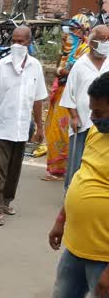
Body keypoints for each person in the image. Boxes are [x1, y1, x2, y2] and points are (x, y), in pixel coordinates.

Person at [13, 71, 109, 298]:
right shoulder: (98, 135)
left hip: (104, 256)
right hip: (76, 243)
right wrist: (60, 219)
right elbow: (82, 178)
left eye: (100, 112)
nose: (94, 119)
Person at [0, 26, 47, 226]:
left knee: (14, 169)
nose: (17, 45)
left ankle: (8, 200)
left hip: (21, 127)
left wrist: (40, 127)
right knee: (0, 168)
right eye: (14, 41)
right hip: (2, 126)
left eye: (21, 41)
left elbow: (37, 100)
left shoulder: (35, 67)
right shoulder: (0, 67)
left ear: (29, 43)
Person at [43, 15, 91, 182]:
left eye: (73, 29)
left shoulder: (85, 49)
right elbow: (60, 67)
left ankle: (63, 170)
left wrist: (61, 71)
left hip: (72, 96)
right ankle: (55, 168)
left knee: (63, 130)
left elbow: (74, 71)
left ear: (83, 30)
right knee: (52, 128)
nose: (69, 33)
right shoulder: (69, 46)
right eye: (69, 29)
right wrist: (60, 66)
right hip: (60, 93)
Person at [60, 25, 109, 189]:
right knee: (77, 160)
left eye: (107, 40)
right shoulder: (80, 65)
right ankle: (71, 192)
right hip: (82, 121)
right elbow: (69, 94)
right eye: (102, 40)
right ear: (91, 42)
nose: (105, 43)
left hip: (105, 124)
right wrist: (74, 116)